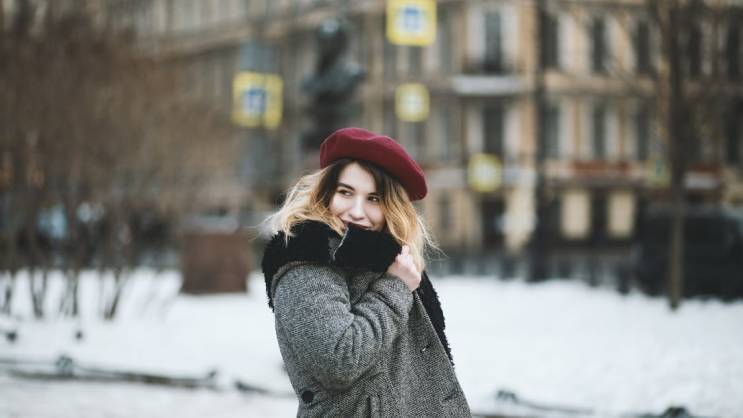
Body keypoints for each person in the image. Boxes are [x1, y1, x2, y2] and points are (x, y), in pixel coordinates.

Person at [261, 127, 471, 417]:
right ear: (326, 194)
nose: (357, 211)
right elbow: (339, 360)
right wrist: (395, 287)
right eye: (346, 192)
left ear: (391, 208)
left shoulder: (386, 259)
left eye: (374, 199)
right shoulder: (305, 260)